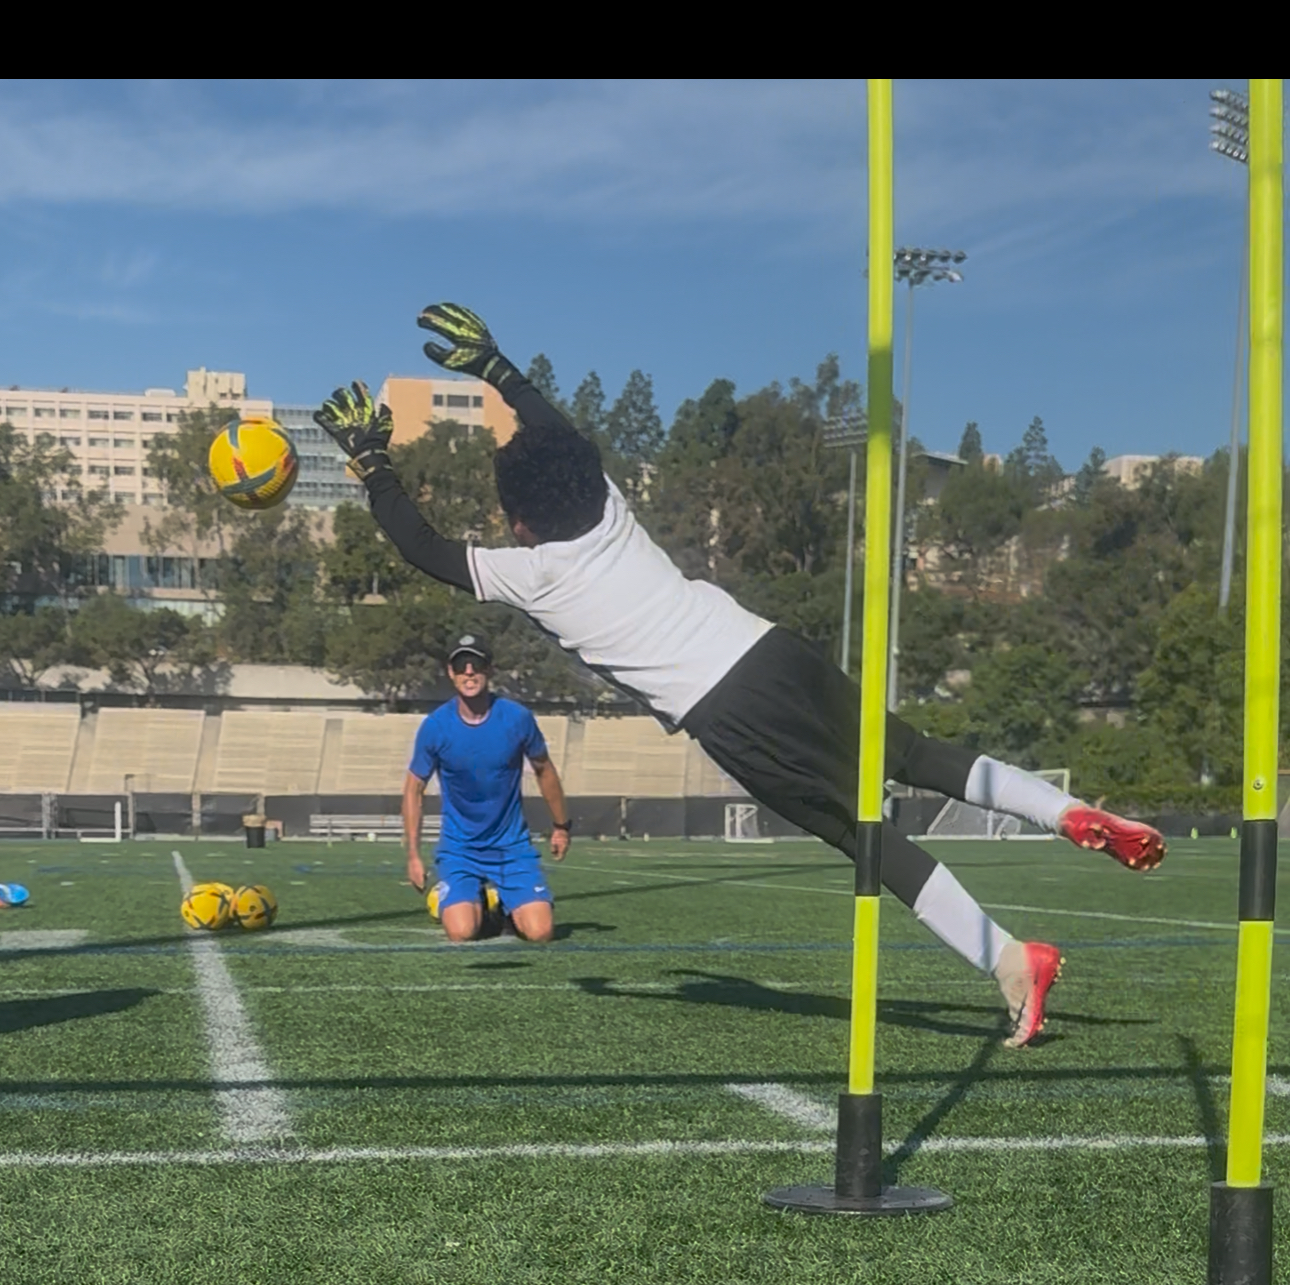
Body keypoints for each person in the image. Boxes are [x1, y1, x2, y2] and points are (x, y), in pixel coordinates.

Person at [317, 310, 1165, 1046]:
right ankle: (1069, 810)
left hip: (729, 709)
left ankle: (1015, 961)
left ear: (518, 519)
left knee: (862, 835)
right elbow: (564, 440)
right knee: (916, 753)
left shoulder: (531, 572)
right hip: (769, 647)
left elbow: (421, 549)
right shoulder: (611, 510)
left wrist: (371, 462)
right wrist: (498, 369)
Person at [404, 629, 571, 945]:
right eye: (462, 665)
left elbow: (544, 769)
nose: (469, 672)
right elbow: (414, 789)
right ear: (451, 673)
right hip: (460, 849)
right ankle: (477, 899)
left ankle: (507, 910)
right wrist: (413, 854)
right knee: (461, 932)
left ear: (489, 670)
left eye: (476, 665)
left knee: (541, 933)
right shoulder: (436, 727)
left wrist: (561, 826)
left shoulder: (517, 718)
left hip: (512, 848)